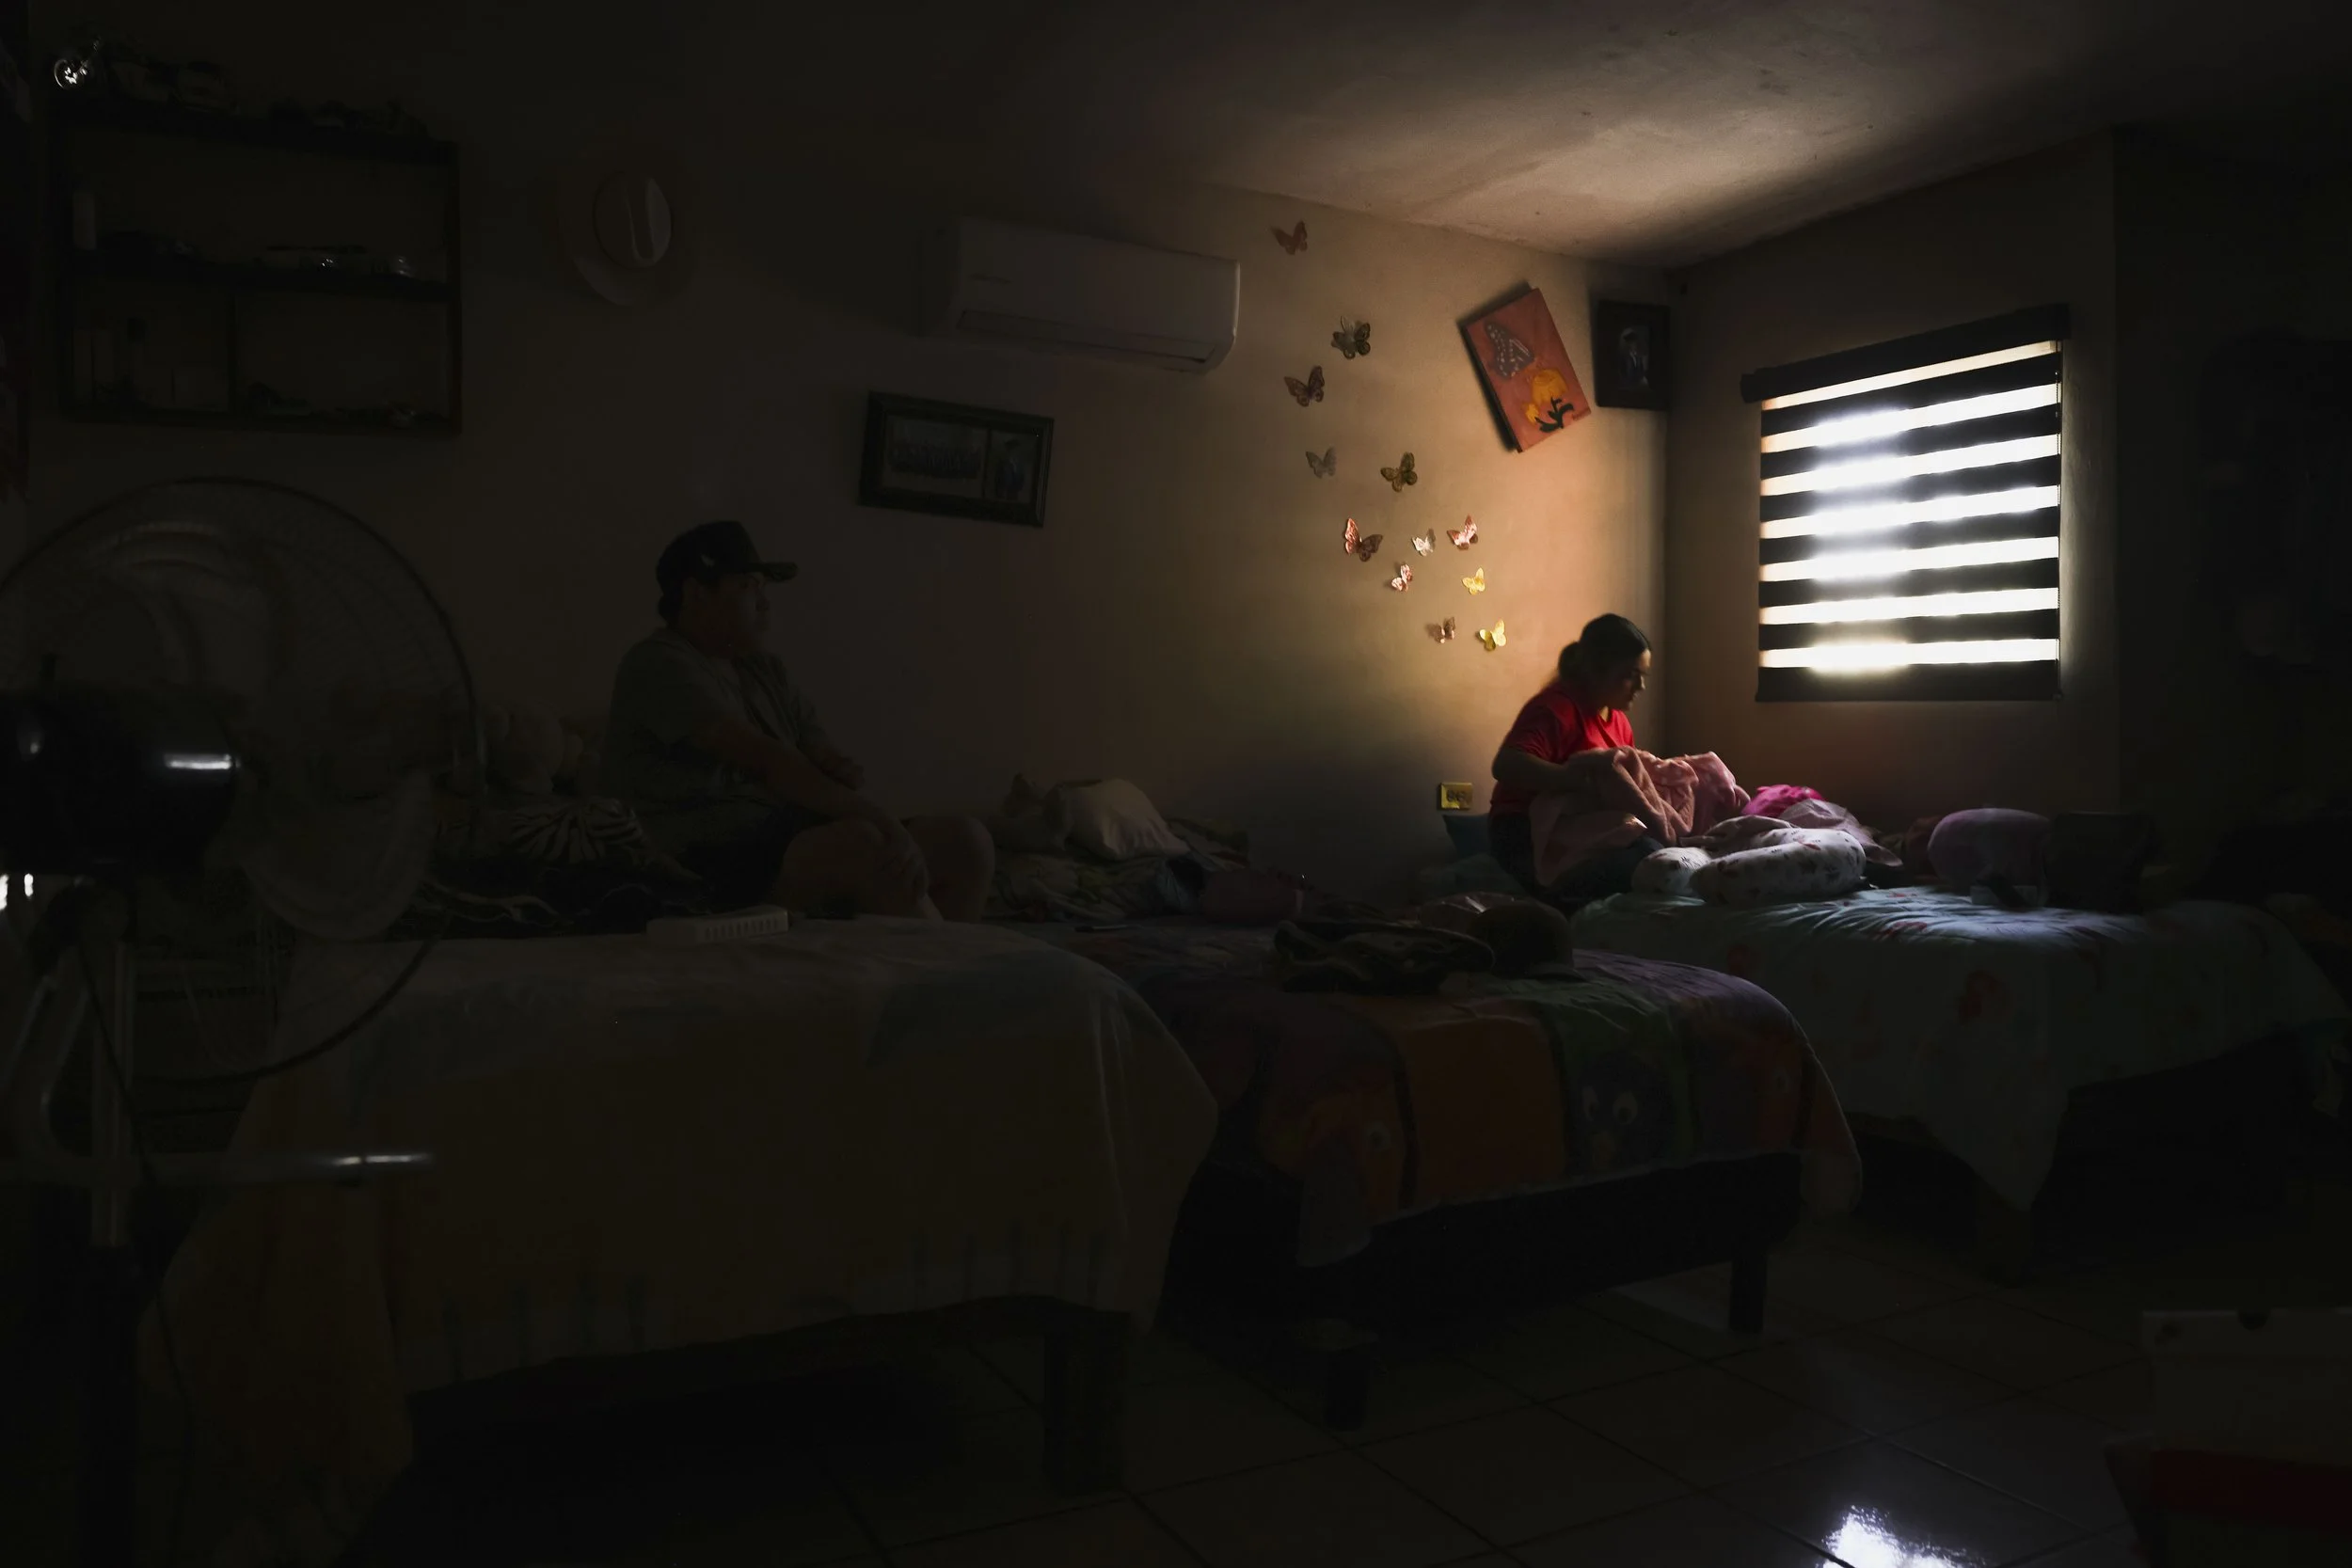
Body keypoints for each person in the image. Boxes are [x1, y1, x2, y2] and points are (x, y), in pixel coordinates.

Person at [601, 520, 994, 919]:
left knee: (966, 841)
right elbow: (770, 761)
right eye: (748, 586)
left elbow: (816, 754)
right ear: (696, 592)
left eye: (763, 589)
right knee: (862, 843)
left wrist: (834, 771)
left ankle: (950, 960)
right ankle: (949, 968)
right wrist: (884, 822)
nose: (764, 603)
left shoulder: (763, 671)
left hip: (784, 837)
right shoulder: (658, 663)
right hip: (709, 862)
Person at [1487, 613, 1661, 902]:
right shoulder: (1556, 708)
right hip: (1524, 832)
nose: (1640, 687)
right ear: (1596, 669)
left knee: (1658, 851)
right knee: (1644, 856)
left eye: (1643, 676)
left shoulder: (1619, 722)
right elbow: (1506, 764)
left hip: (1586, 829)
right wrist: (1580, 780)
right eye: (1631, 675)